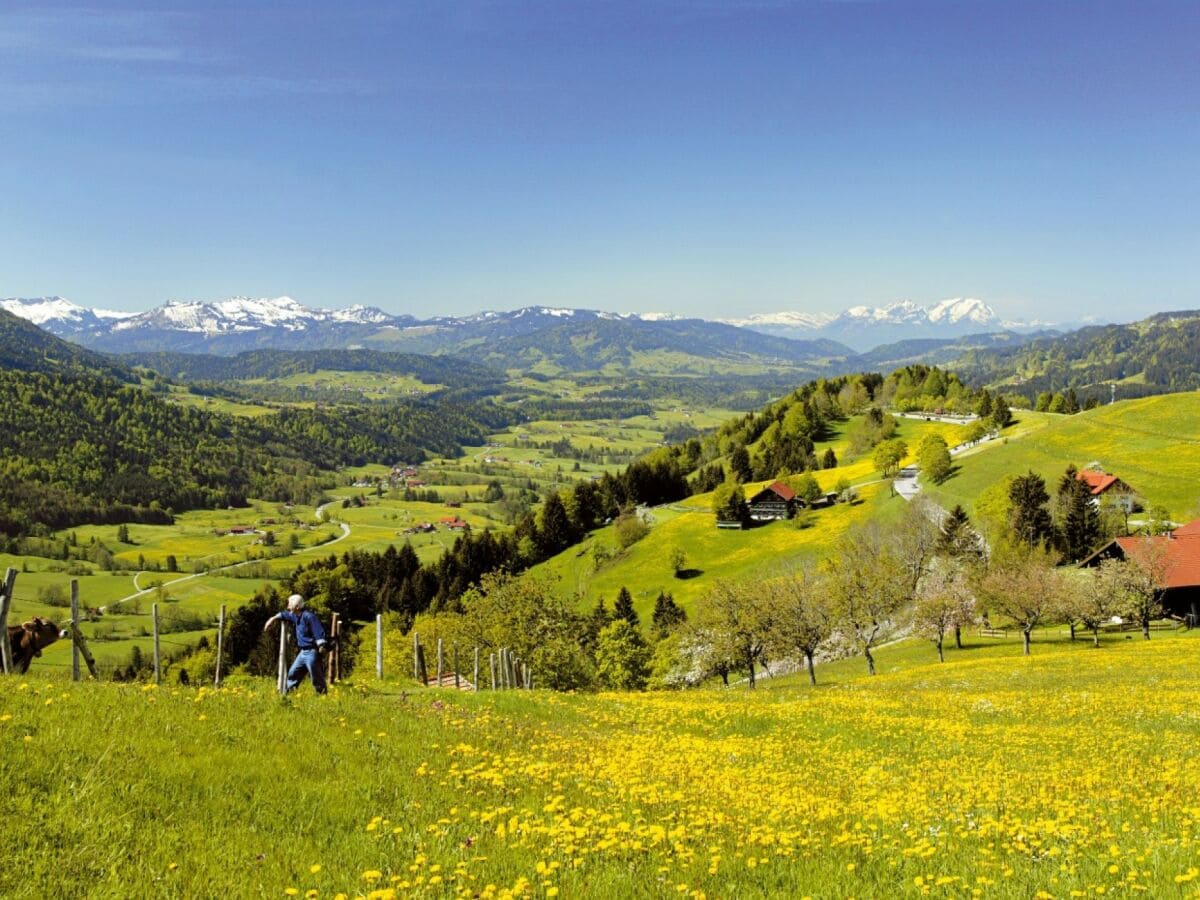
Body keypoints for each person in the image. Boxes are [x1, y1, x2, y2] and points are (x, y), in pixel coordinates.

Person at [263, 594, 329, 694]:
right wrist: (272, 618)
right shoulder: (295, 615)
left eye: (290, 604)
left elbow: (318, 630)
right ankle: (287, 695)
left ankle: (322, 696)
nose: (288, 606)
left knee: (315, 675)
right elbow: (284, 614)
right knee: (293, 673)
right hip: (303, 652)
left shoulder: (309, 616)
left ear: (297, 606)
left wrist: (321, 645)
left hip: (312, 651)